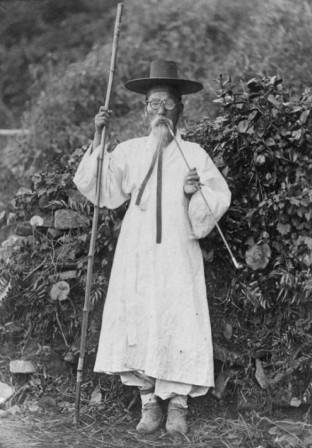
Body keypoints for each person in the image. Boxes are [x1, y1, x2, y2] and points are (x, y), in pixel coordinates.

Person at [74, 59, 231, 434]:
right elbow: (102, 190)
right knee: (139, 314)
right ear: (145, 109)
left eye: (168, 104)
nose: (160, 111)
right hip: (138, 249)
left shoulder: (194, 154)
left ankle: (177, 406)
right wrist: (98, 139)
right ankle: (149, 405)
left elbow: (218, 196)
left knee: (178, 316)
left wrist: (195, 192)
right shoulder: (129, 150)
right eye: (153, 104)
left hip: (178, 251)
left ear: (180, 107)